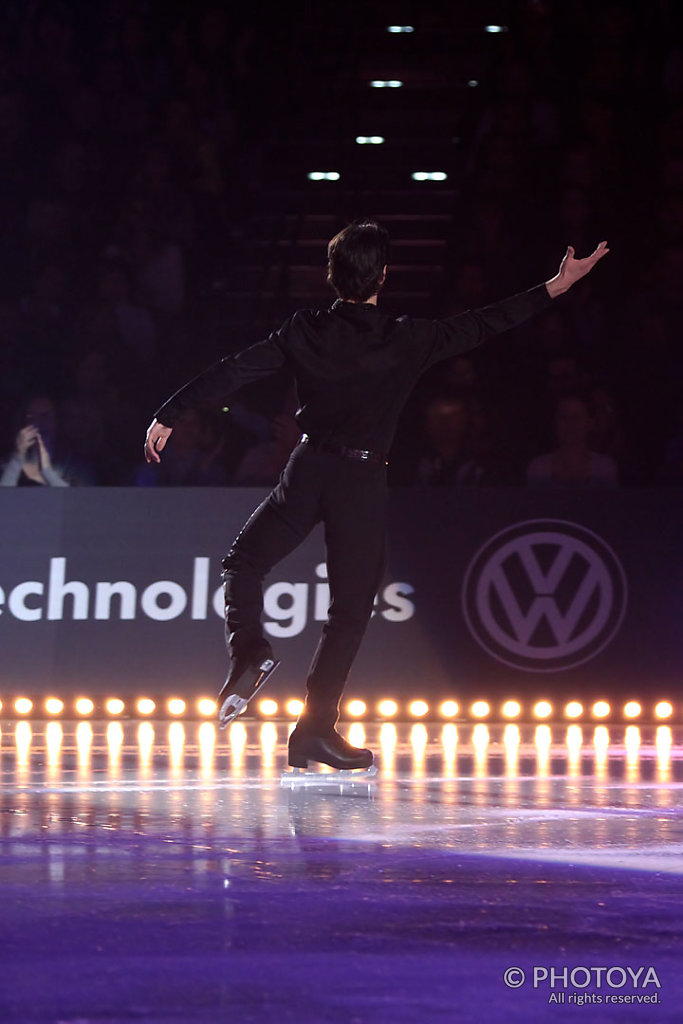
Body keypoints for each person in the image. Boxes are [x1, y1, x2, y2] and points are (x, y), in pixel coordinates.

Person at [144, 222, 609, 772]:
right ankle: (314, 728)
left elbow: (234, 370)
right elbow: (484, 324)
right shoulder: (407, 337)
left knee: (243, 562)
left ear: (332, 275)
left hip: (308, 467)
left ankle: (250, 651)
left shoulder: (305, 330)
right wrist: (555, 286)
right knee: (348, 611)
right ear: (382, 277)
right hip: (361, 483)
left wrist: (170, 412)